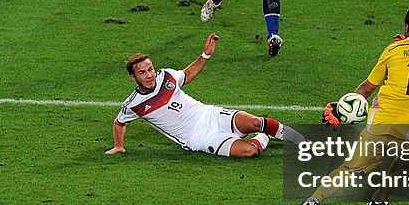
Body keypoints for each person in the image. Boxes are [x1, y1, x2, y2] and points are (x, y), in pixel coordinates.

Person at [284, 7, 409, 205]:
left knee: (349, 170)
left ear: (406, 27)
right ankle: (381, 196)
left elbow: (367, 88)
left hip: (380, 125)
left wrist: (341, 111)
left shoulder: (392, 50)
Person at [106, 34, 305, 157]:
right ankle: (263, 139)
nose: (149, 75)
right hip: (198, 138)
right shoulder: (134, 104)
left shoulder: (166, 76)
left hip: (210, 115)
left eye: (150, 69)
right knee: (248, 151)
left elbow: (188, 74)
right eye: (142, 72)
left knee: (254, 121)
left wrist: (206, 54)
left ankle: (300, 140)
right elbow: (119, 122)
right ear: (133, 77)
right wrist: (119, 146)